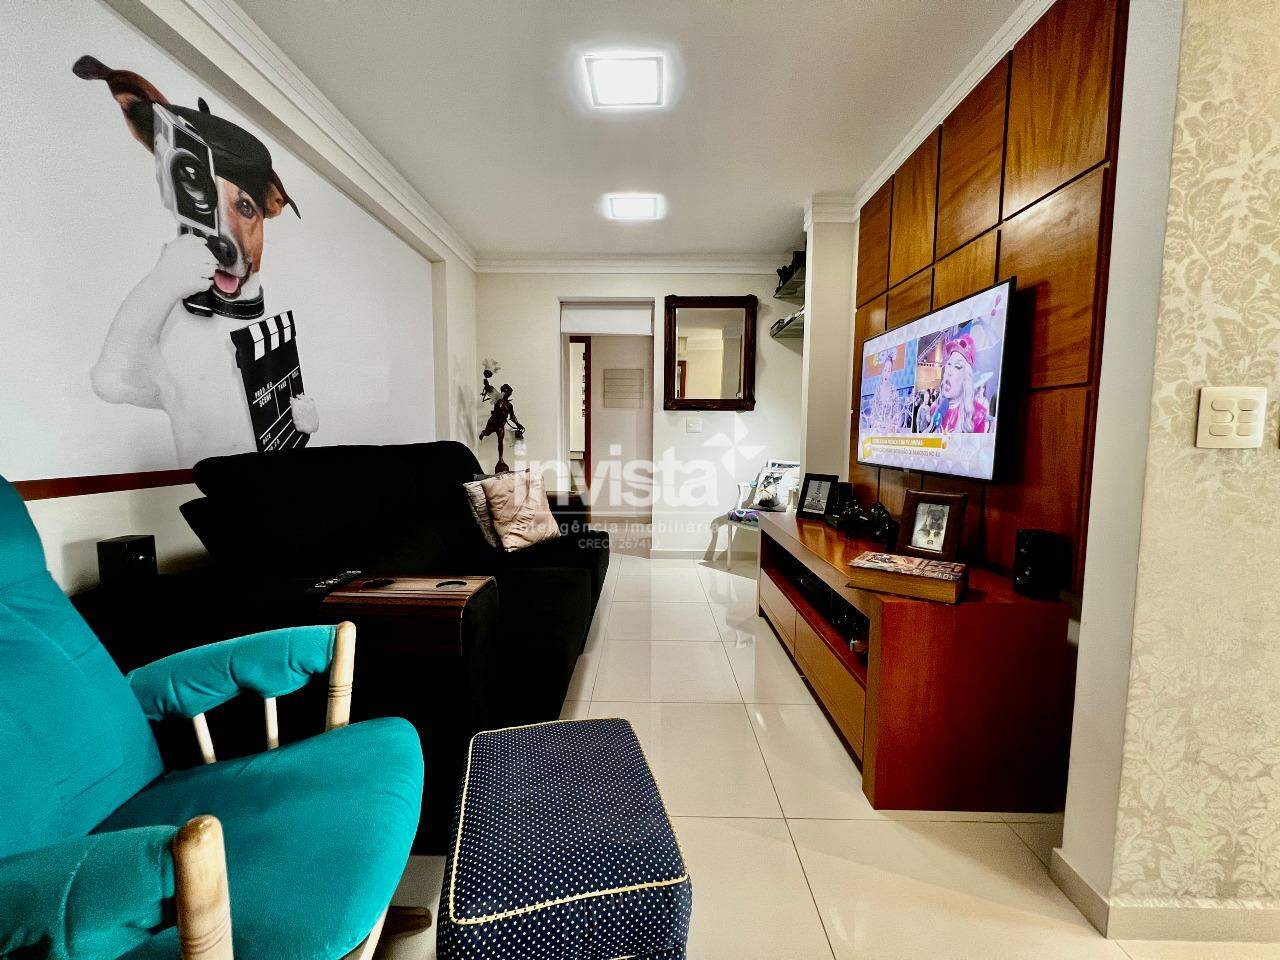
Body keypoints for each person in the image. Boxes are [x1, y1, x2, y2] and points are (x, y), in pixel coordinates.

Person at [927, 334, 988, 434]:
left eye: (957, 366)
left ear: (966, 378)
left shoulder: (978, 414)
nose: (949, 372)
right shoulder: (935, 408)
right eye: (949, 364)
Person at [479, 383, 526, 472]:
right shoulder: (498, 399)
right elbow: (489, 389)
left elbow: (512, 416)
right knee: (487, 432)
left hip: (501, 425)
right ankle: (483, 433)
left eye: (509, 392)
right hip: (493, 423)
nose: (508, 394)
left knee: (500, 441)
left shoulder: (509, 405)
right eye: (506, 391)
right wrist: (486, 384)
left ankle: (501, 459)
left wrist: (518, 424)